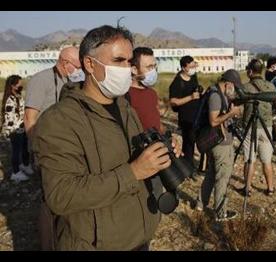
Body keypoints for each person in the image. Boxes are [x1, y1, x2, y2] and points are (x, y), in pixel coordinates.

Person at [32, 25, 180, 251]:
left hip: (138, 238)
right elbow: (61, 195)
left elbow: (132, 154)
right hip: (96, 244)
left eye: (129, 62)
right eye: (119, 60)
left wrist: (160, 149)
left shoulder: (125, 107)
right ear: (90, 64)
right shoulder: (58, 120)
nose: (128, 69)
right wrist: (133, 172)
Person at [195, 69, 242, 222]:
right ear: (228, 83)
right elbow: (214, 121)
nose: (234, 89)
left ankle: (201, 204)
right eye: (234, 85)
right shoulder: (215, 96)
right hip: (220, 143)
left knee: (211, 174)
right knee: (222, 177)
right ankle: (220, 212)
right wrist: (231, 113)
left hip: (216, 141)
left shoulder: (219, 93)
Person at [24, 46, 83, 136]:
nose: (79, 71)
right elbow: (29, 117)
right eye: (77, 67)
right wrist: (33, 144)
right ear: (65, 63)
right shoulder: (41, 79)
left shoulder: (69, 81)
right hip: (43, 138)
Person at [239, 59, 276, 196]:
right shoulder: (270, 86)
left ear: (250, 71)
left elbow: (237, 100)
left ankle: (247, 188)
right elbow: (275, 101)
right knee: (267, 160)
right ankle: (270, 188)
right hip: (267, 126)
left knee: (250, 159)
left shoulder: (245, 87)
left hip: (251, 126)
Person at [169, 56, 201, 169]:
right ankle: (188, 168)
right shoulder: (177, 82)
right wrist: (191, 97)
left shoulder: (193, 77)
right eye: (191, 66)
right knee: (189, 144)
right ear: (183, 68)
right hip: (186, 118)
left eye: (194, 65)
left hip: (198, 115)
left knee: (201, 141)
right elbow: (173, 102)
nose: (193, 68)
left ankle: (202, 166)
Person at [1, 75, 34, 182]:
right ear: (13, 85)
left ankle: (25, 164)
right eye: (19, 84)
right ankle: (15, 172)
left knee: (25, 148)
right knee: (16, 151)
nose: (21, 85)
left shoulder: (18, 96)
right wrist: (18, 129)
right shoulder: (9, 100)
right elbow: (10, 119)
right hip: (15, 130)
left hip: (22, 127)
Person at [128, 47, 164, 133]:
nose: (153, 71)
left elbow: (157, 122)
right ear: (134, 70)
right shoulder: (125, 95)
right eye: (149, 67)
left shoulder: (152, 93)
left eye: (154, 66)